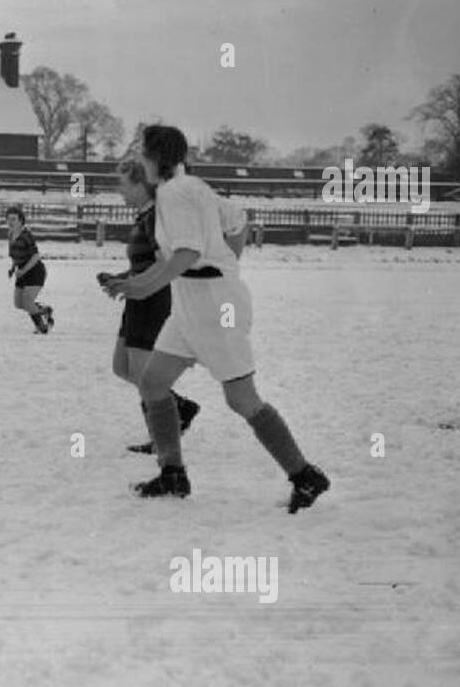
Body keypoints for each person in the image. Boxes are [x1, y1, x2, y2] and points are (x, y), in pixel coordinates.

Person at [104, 125, 329, 512]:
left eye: (141, 152)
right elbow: (236, 222)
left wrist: (145, 287)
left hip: (215, 309)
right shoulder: (188, 188)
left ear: (154, 157)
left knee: (242, 400)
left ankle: (305, 476)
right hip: (191, 304)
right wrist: (221, 264)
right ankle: (172, 474)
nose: (138, 158)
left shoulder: (177, 192)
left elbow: (188, 253)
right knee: (153, 382)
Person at [97, 158, 200, 452]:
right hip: (136, 297)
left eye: (125, 184)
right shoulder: (143, 216)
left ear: (143, 185)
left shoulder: (156, 216)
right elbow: (145, 264)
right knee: (122, 367)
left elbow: (166, 263)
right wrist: (121, 279)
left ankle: (161, 439)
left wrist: (135, 284)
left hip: (152, 300)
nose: (120, 190)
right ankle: (179, 408)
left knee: (145, 376)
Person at [5, 205, 54, 333]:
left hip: (35, 271)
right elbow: (15, 254)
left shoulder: (27, 235)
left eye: (14, 219)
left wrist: (23, 270)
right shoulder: (10, 235)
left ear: (21, 221)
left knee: (27, 302)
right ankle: (45, 311)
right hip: (21, 272)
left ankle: (41, 327)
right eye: (8, 219)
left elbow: (35, 256)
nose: (10, 222)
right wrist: (12, 268)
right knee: (18, 304)